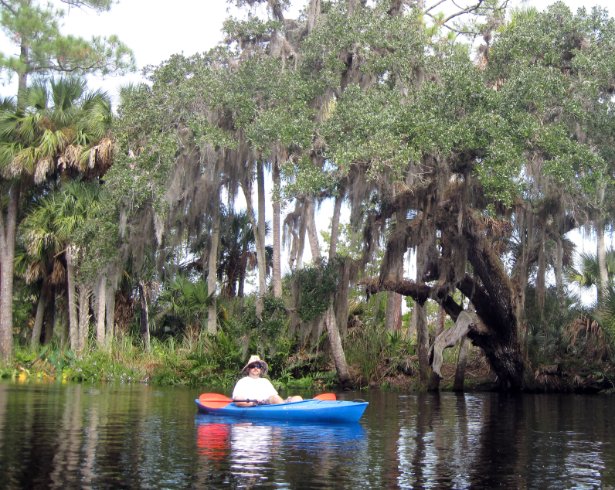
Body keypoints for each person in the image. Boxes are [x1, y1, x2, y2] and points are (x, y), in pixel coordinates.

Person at [232, 355, 303, 407]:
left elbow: (275, 396)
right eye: (253, 366)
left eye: (258, 366)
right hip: (256, 404)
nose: (256, 368)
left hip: (272, 404)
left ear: (261, 369)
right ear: (248, 369)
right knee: (274, 398)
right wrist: (252, 403)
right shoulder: (242, 382)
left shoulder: (265, 381)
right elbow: (237, 400)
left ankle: (289, 409)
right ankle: (287, 411)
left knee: (298, 398)